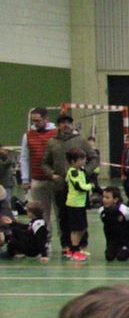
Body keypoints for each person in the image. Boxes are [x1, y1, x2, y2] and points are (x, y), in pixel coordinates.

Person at [20, 106, 57, 240]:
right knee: (42, 215)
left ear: (46, 119)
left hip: (55, 180)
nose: (34, 124)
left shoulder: (57, 133)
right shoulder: (28, 135)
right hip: (37, 180)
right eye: (33, 121)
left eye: (37, 121)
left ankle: (66, 245)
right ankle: (45, 241)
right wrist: (25, 179)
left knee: (60, 214)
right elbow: (24, 158)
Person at [63, 148, 93, 261]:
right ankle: (75, 251)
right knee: (76, 229)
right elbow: (79, 186)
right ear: (73, 161)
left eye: (84, 159)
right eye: (81, 159)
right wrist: (91, 186)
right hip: (74, 204)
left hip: (81, 204)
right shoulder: (73, 172)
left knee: (83, 228)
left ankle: (72, 249)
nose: (84, 161)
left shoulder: (81, 171)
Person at [99, 187, 129, 261]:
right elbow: (106, 228)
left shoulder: (124, 211)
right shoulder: (102, 211)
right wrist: (109, 243)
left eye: (107, 198)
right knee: (109, 257)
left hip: (127, 238)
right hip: (114, 238)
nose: (104, 200)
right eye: (103, 197)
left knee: (121, 257)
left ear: (115, 200)